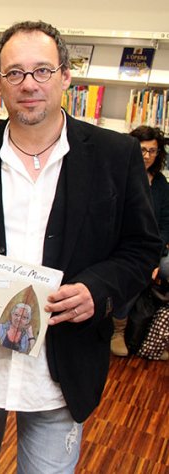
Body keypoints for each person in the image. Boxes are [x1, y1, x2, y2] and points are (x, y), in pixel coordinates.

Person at [0, 20, 161, 472]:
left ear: (66, 77)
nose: (28, 84)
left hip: (62, 364)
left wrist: (96, 289)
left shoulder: (115, 156)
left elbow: (141, 247)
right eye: (14, 73)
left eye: (42, 71)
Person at [111, 126, 169, 356]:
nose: (147, 156)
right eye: (143, 150)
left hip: (154, 247)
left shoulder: (161, 184)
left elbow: (165, 224)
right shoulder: (119, 176)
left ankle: (156, 334)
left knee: (160, 268)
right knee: (133, 268)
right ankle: (119, 329)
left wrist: (155, 255)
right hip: (123, 244)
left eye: (152, 151)